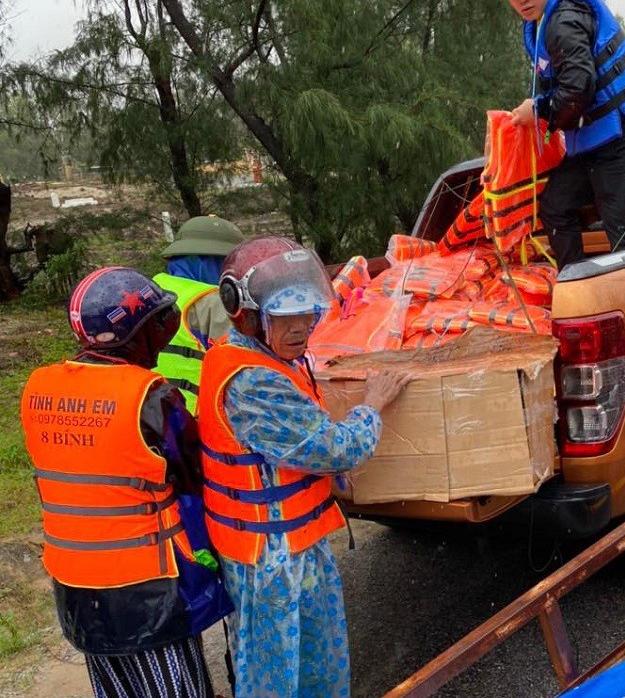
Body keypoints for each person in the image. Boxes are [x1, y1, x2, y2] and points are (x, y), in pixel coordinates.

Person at [196, 236, 410, 697]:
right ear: (249, 315)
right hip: (268, 559)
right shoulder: (251, 381)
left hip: (295, 541)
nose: (301, 328)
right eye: (285, 317)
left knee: (320, 668)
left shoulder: (271, 357)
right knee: (274, 680)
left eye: (308, 313)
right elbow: (334, 447)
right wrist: (373, 405)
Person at [20, 267, 232, 698]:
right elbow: (196, 473)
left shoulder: (38, 387)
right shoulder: (149, 395)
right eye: (158, 324)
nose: (164, 335)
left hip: (76, 586)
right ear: (135, 332)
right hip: (147, 589)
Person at [496, 0, 625, 268]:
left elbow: (577, 90)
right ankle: (575, 286)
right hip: (593, 142)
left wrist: (539, 109)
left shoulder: (565, 15)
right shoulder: (542, 18)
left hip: (624, 137)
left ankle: (624, 313)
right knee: (555, 207)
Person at [154, 215, 244, 413]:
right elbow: (243, 366)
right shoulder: (213, 302)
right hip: (196, 418)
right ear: (209, 261)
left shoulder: (151, 290)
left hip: (151, 410)